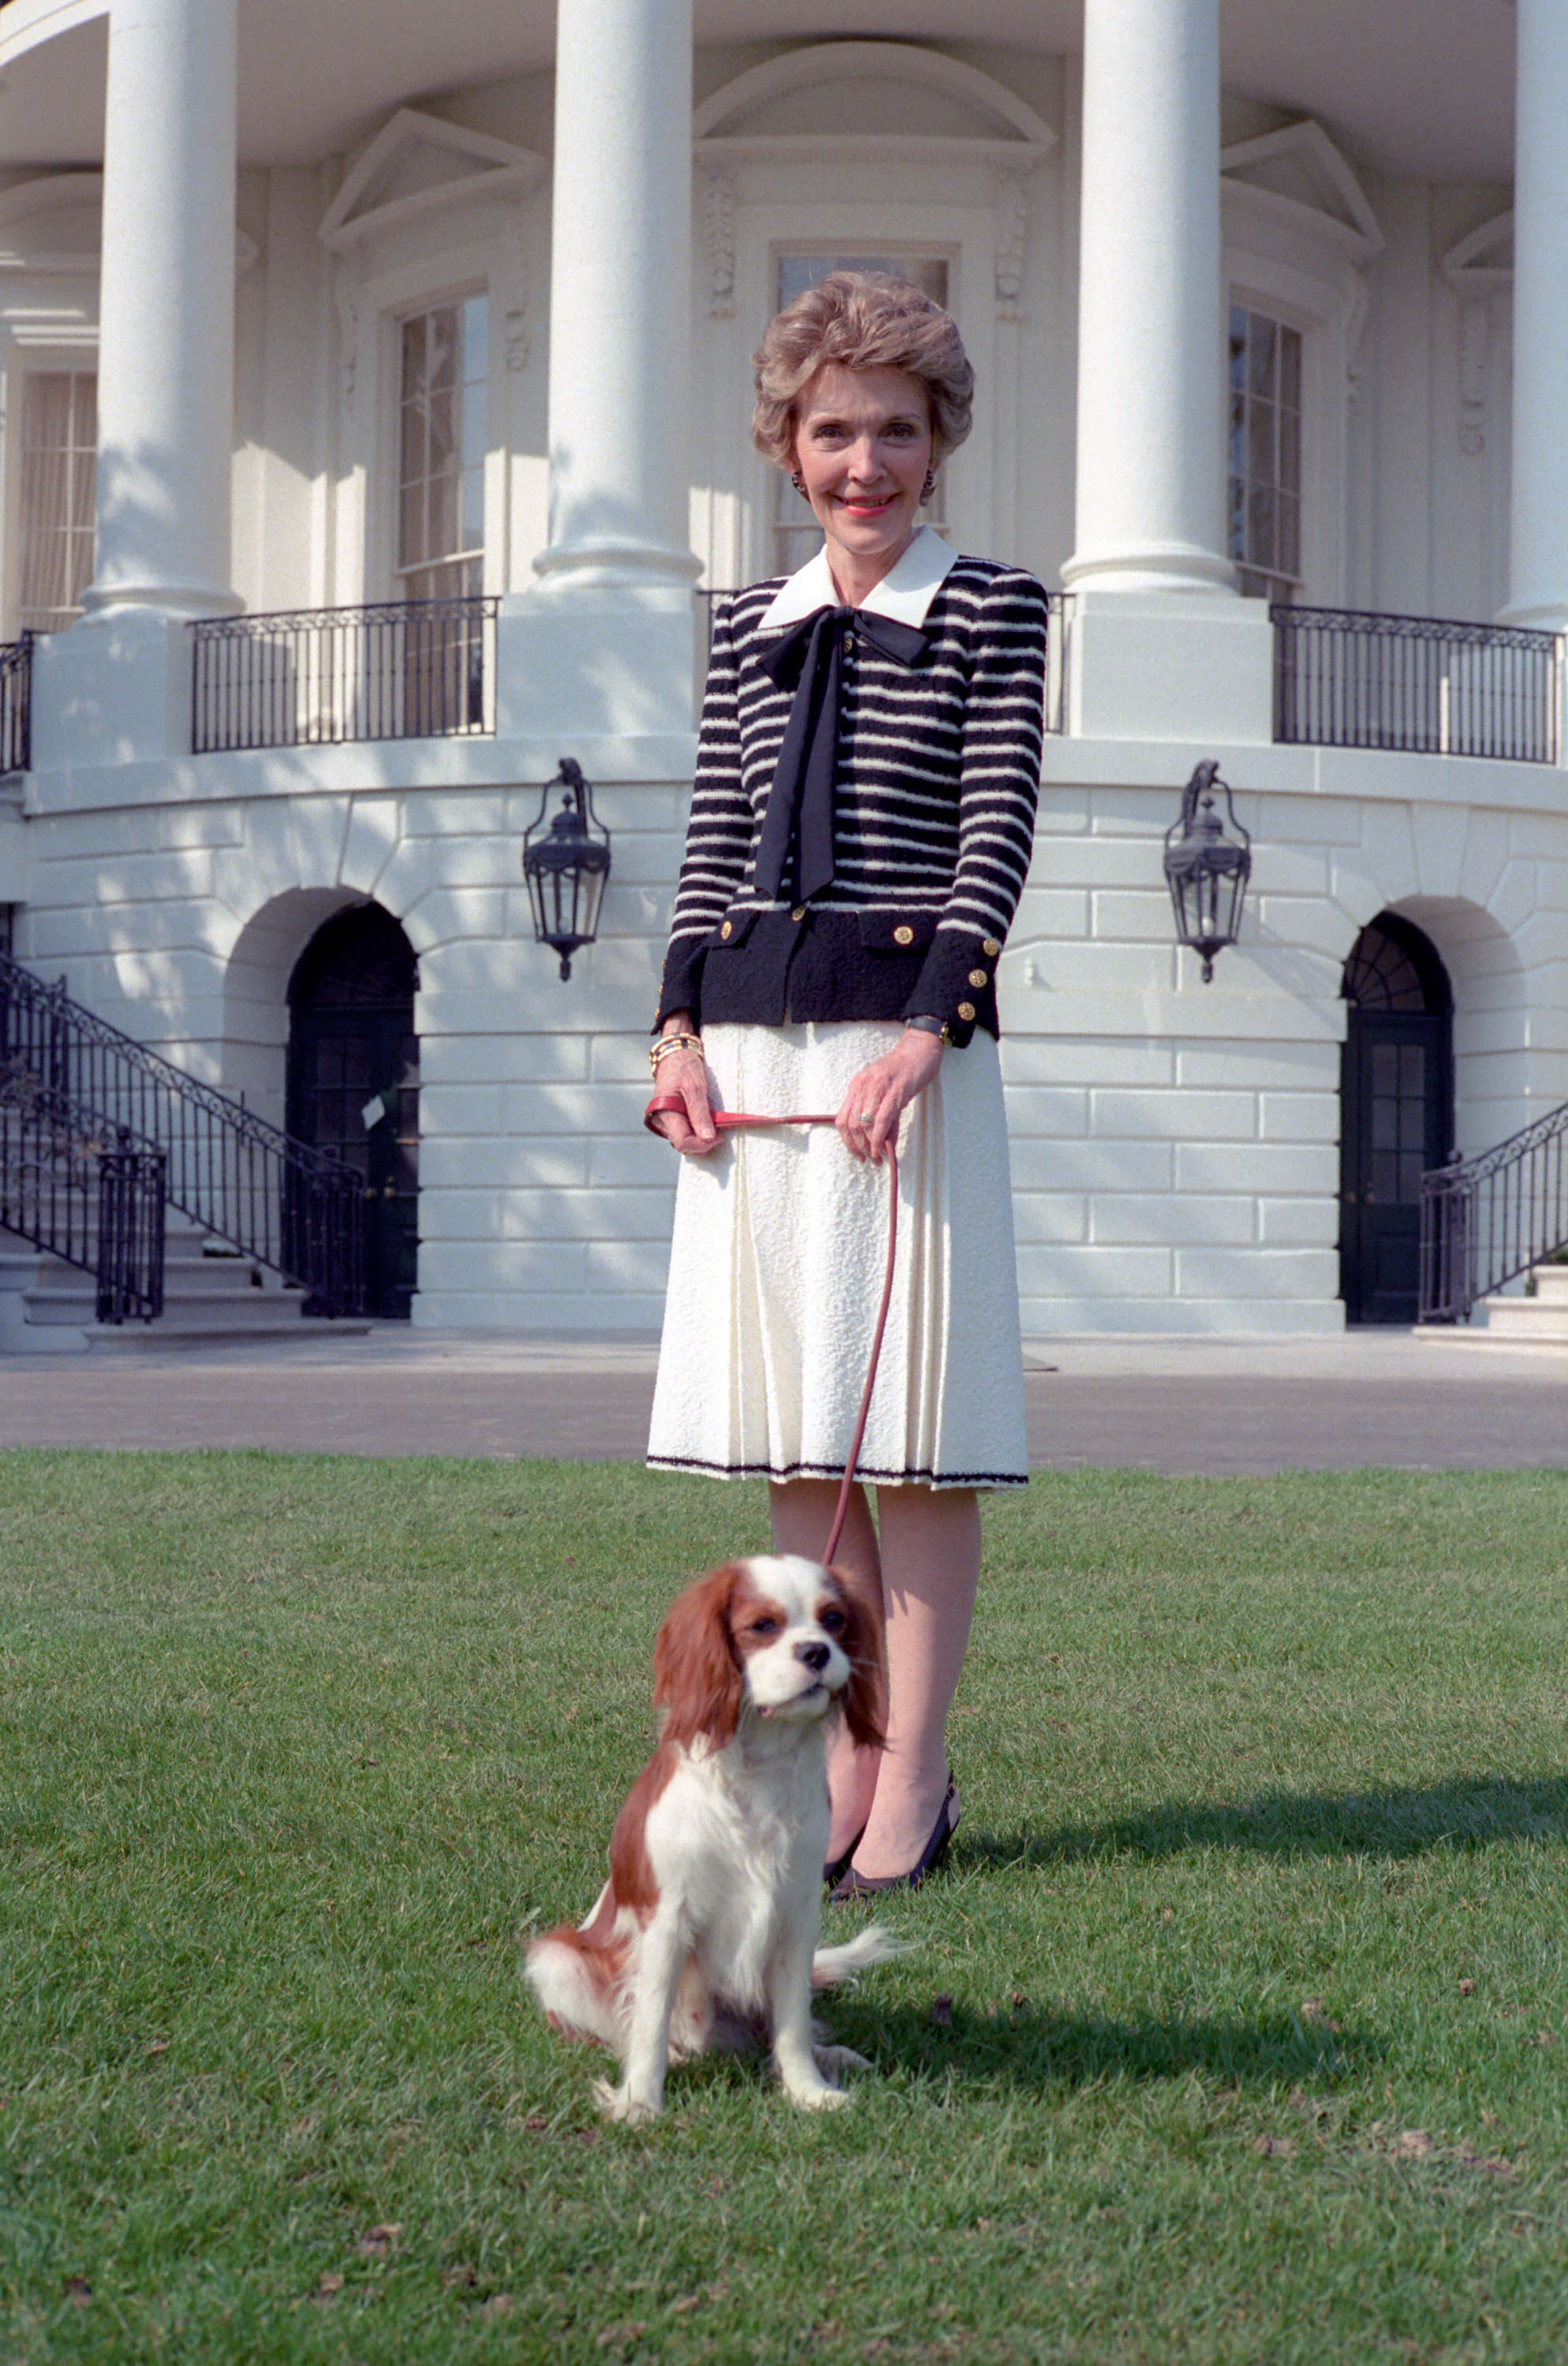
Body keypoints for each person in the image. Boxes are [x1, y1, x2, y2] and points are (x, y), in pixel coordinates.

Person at [644, 272, 1047, 1896]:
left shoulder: (995, 606)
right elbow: (707, 842)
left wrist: (924, 1032)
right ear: (786, 446)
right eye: (832, 431)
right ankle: (851, 1757)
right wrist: (672, 1034)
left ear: (936, 441)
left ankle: (918, 1779)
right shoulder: (745, 625)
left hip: (899, 1051)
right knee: (808, 1437)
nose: (862, 461)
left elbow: (992, 832)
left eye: (893, 429)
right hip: (752, 1051)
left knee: (919, 1438)